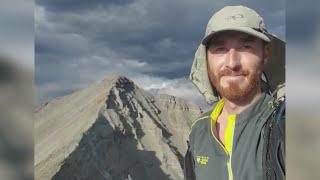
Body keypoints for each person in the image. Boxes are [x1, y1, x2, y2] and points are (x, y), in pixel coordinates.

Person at [184, 5, 285, 180]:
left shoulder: (286, 125)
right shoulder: (198, 132)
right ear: (206, 58)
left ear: (265, 54)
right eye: (220, 49)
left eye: (246, 47)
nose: (232, 63)